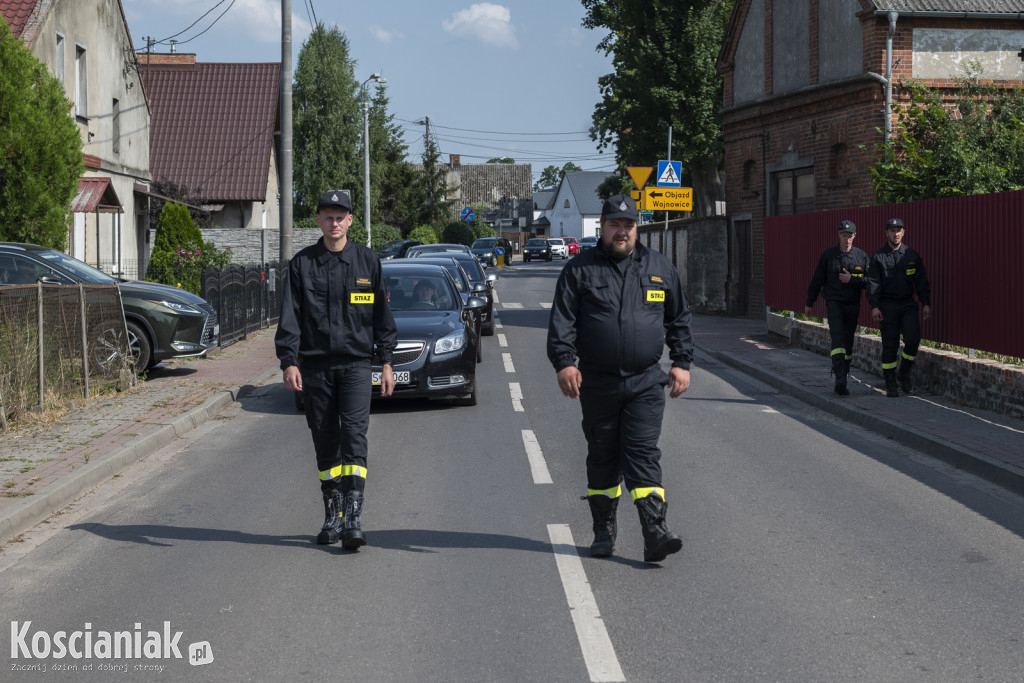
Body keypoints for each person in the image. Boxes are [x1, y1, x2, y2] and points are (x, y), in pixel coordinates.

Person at [547, 195, 694, 564]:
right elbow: (562, 322)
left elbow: (679, 318)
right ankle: (603, 530)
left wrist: (682, 362)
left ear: (637, 228)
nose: (622, 232)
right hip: (598, 383)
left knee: (643, 453)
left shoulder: (659, 267)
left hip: (646, 381)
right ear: (603, 226)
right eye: (615, 225)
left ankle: (654, 531)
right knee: (603, 457)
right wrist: (565, 362)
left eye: (629, 225)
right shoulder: (580, 270)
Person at [275, 190, 398, 549]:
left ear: (350, 220)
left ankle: (354, 518)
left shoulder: (368, 262)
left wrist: (387, 362)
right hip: (315, 368)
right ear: (318, 220)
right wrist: (289, 362)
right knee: (325, 440)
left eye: (340, 216)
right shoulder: (301, 265)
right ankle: (333, 515)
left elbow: (382, 320)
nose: (334, 223)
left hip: (357, 366)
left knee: (355, 439)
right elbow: (290, 319)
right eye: (328, 216)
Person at [866, 218, 931, 397]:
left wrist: (926, 303)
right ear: (886, 233)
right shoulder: (878, 257)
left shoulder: (911, 255)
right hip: (887, 306)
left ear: (903, 232)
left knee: (913, 340)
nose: (895, 234)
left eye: (898, 230)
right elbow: (873, 284)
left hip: (907, 304)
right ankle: (890, 381)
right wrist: (874, 306)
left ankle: (904, 372)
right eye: (892, 230)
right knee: (890, 345)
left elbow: (921, 281)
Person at [804, 220, 869, 396]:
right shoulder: (828, 256)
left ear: (854, 236)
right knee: (838, 338)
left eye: (850, 235)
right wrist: (810, 302)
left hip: (852, 304)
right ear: (838, 235)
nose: (847, 239)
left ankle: (845, 371)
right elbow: (817, 280)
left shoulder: (861, 257)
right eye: (844, 235)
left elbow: (870, 282)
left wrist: (852, 280)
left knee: (848, 342)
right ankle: (840, 377)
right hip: (834, 303)